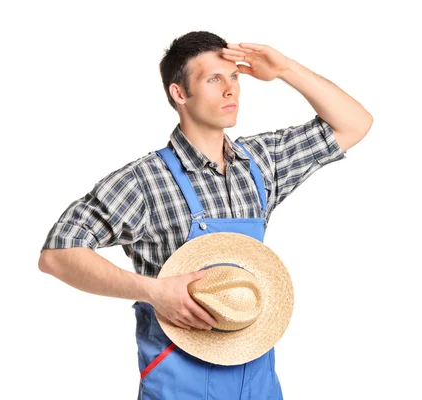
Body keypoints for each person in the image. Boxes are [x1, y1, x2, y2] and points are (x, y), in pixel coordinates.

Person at [38, 30, 373, 399]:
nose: (231, 90)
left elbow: (353, 123)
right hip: (181, 381)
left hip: (257, 378)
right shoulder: (144, 181)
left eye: (234, 78)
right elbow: (57, 255)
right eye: (214, 79)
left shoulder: (260, 163)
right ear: (179, 93)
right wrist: (153, 291)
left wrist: (285, 69)